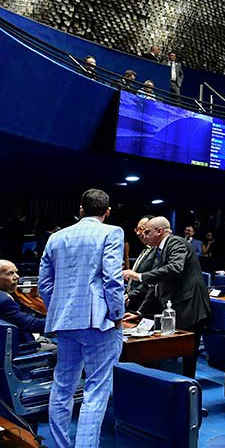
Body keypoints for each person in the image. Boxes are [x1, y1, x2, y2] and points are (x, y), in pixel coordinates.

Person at [39, 188, 125, 448]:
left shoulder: (56, 238)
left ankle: (61, 444)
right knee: (96, 391)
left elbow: (45, 285)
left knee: (62, 386)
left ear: (80, 210)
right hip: (99, 322)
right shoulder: (112, 231)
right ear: (107, 211)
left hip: (64, 322)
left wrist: (61, 307)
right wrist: (117, 315)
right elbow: (112, 278)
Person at [121, 216, 211, 377]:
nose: (144, 235)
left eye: (147, 232)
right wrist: (140, 313)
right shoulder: (160, 249)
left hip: (190, 307)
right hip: (176, 306)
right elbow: (155, 284)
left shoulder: (176, 243)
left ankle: (188, 393)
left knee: (188, 355)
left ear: (159, 231)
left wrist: (139, 276)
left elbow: (175, 268)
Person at [0, 259, 46, 343]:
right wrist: (57, 322)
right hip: (18, 349)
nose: (17, 277)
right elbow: (32, 325)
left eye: (16, 272)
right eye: (10, 273)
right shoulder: (4, 301)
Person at [127, 215, 156, 299]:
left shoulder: (157, 251)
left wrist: (131, 295)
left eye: (141, 229)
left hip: (145, 301)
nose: (138, 233)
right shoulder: (145, 250)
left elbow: (152, 280)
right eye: (137, 229)